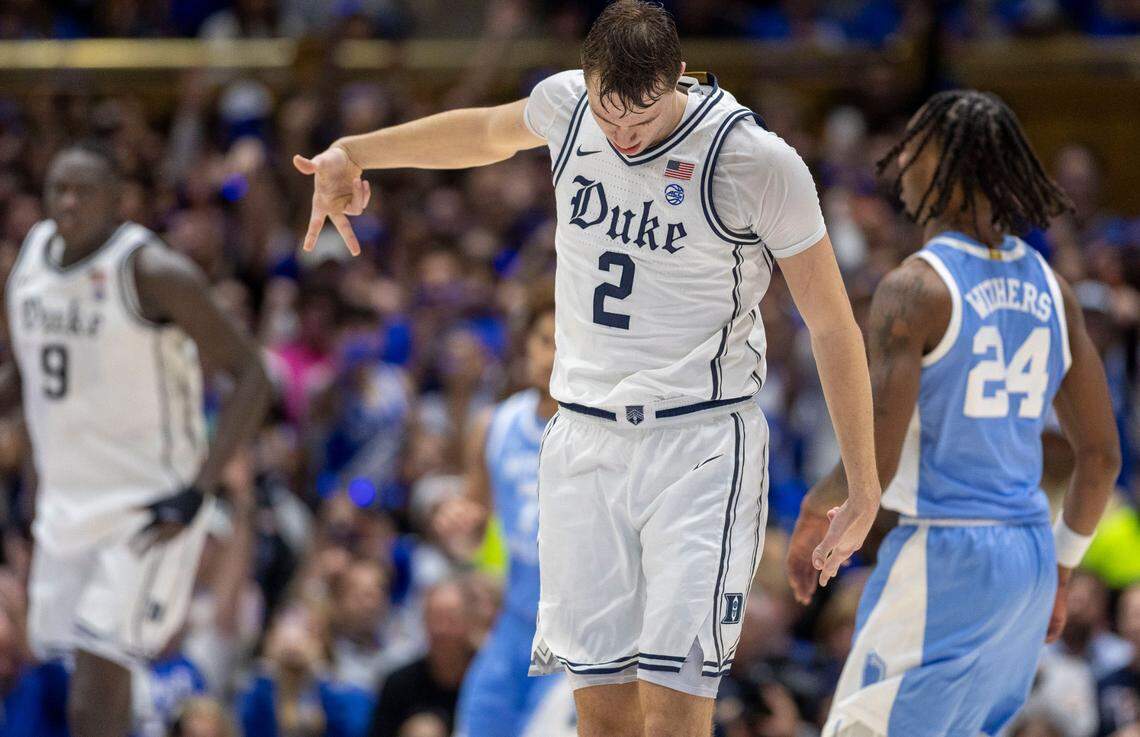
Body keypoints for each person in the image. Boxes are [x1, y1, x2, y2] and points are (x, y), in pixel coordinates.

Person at [294, 2, 881, 733]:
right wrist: (357, 151)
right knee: (601, 719)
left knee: (672, 716)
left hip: (697, 447)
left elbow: (831, 324)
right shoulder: (567, 105)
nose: (622, 136)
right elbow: (481, 133)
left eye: (640, 119)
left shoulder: (754, 161)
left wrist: (863, 479)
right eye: (609, 116)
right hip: (583, 439)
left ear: (677, 80)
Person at [786, 90, 1122, 737]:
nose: (901, 161)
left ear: (943, 162)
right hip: (1026, 553)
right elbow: (1102, 457)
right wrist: (1059, 566)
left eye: (914, 146)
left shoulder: (916, 286)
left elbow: (872, 464)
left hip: (947, 550)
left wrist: (814, 512)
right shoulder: (1054, 289)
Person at [1, 142, 272, 737]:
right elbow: (27, 373)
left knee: (101, 673)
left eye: (85, 192)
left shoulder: (152, 271)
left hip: (148, 504)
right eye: (58, 190)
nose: (68, 203)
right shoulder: (30, 263)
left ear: (119, 203)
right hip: (65, 504)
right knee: (60, 671)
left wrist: (199, 489)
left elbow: (253, 374)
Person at [447, 286, 565, 737]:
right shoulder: (494, 425)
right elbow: (471, 532)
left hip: (572, 637)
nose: (551, 355)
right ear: (525, 346)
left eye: (563, 343)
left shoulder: (602, 432)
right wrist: (456, 524)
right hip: (512, 625)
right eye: (543, 341)